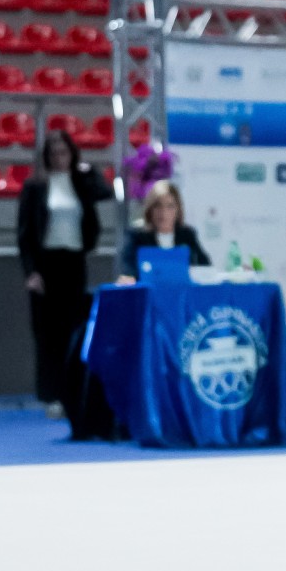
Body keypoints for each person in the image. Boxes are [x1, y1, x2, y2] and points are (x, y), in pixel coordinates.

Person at [17, 129, 114, 418]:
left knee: (73, 328)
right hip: (46, 264)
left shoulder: (81, 183)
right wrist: (31, 272)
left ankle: (71, 392)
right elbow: (24, 234)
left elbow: (105, 192)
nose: (60, 158)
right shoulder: (35, 187)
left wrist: (89, 170)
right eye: (54, 154)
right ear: (46, 157)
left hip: (74, 262)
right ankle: (50, 395)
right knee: (48, 334)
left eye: (64, 152)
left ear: (72, 154)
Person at [114, 180, 211, 284]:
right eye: (158, 206)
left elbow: (205, 266)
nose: (163, 212)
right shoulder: (136, 236)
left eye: (170, 206)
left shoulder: (187, 235)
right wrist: (128, 278)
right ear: (150, 209)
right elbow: (126, 269)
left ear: (178, 210)